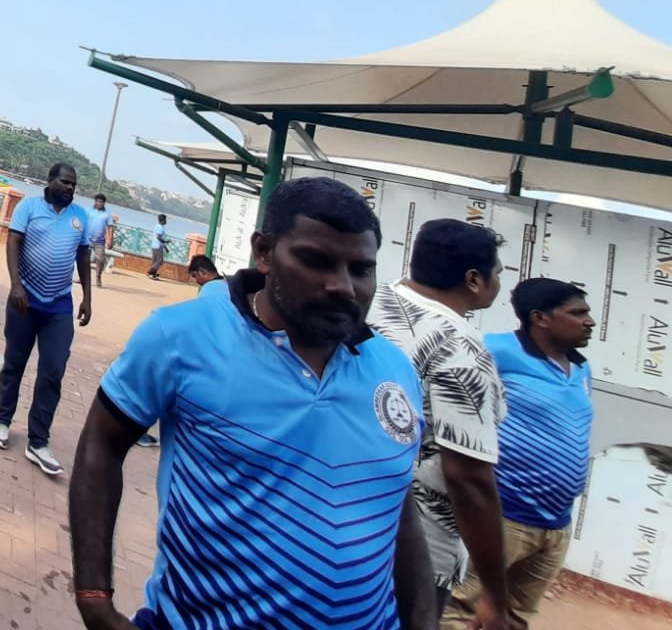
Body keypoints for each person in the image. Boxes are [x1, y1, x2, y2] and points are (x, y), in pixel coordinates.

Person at [69, 176, 436, 630]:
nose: (343, 286)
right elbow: (101, 445)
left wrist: (424, 620)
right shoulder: (180, 336)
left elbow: (395, 500)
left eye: (361, 270)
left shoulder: (396, 372)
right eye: (316, 261)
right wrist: (94, 600)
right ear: (264, 252)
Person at [367, 219, 509, 627]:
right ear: (474, 280)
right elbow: (468, 479)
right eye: (498, 273)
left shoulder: (371, 301)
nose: (499, 282)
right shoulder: (461, 351)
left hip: (337, 516)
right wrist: (495, 595)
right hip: (413, 552)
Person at [443, 279, 595, 630]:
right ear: (540, 318)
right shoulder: (495, 350)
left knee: (515, 619)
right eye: (577, 313)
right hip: (502, 516)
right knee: (459, 609)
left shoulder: (581, 367)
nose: (589, 321)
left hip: (556, 525)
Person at [0, 162, 93, 477]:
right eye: (65, 182)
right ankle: (2, 420)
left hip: (58, 306)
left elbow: (84, 256)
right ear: (50, 181)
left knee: (53, 370)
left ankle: (38, 441)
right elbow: (13, 243)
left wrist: (88, 297)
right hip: (24, 301)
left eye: (74, 184)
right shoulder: (29, 207)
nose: (70, 188)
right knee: (15, 363)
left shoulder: (80, 216)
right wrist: (16, 285)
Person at [87, 194, 115, 288]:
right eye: (98, 201)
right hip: (87, 239)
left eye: (101, 202)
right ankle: (82, 277)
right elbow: (82, 221)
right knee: (84, 260)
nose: (99, 203)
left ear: (104, 203)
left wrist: (110, 240)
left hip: (100, 241)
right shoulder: (88, 210)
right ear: (95, 201)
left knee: (100, 260)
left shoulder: (107, 214)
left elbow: (110, 228)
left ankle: (98, 277)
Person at [147, 214, 170, 279]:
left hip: (154, 245)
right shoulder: (160, 228)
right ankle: (150, 272)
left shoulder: (157, 226)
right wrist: (165, 242)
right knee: (160, 261)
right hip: (158, 246)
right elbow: (158, 236)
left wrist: (165, 247)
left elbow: (160, 237)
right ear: (163, 220)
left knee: (155, 261)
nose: (166, 221)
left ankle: (153, 275)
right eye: (166, 219)